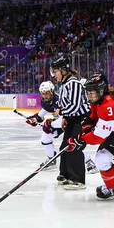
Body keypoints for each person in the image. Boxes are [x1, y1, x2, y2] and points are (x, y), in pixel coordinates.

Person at [26, 81, 98, 173]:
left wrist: (51, 124)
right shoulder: (44, 102)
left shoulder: (60, 100)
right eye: (43, 93)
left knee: (73, 143)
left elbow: (66, 116)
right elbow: (46, 109)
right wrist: (36, 118)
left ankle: (88, 161)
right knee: (45, 138)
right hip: (59, 123)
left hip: (70, 122)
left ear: (52, 91)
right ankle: (51, 159)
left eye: (47, 93)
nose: (45, 96)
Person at [50, 56, 90, 190]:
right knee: (64, 147)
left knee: (74, 147)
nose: (54, 75)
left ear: (63, 70)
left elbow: (75, 106)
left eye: (55, 71)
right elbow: (68, 106)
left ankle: (78, 179)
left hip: (82, 119)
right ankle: (65, 174)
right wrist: (65, 118)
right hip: (72, 119)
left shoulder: (73, 83)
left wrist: (60, 113)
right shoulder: (65, 84)